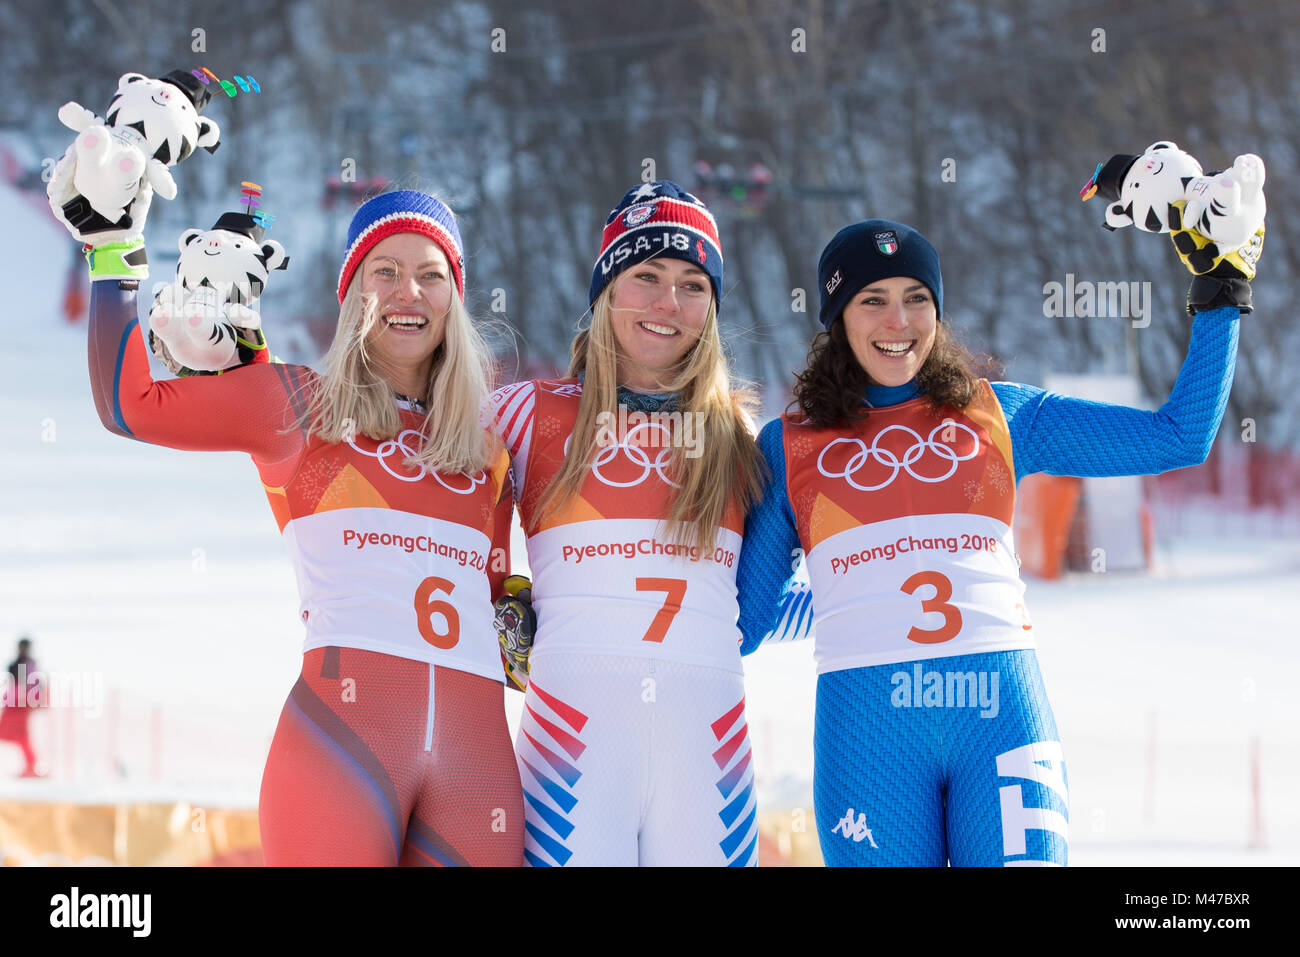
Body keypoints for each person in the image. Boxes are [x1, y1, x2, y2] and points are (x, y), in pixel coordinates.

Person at [736, 216, 1254, 866]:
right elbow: (744, 621)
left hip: (1001, 722)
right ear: (838, 315)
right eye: (873, 299)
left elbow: (1178, 436)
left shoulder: (1002, 415)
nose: (898, 320)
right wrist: (843, 605)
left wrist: (1222, 290)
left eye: (916, 298)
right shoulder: (790, 446)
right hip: (869, 739)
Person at [78, 188, 523, 866]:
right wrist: (113, 251)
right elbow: (128, 403)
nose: (410, 291)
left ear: (454, 300)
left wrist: (529, 622)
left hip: (477, 765)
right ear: (353, 294)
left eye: (432, 274)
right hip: (342, 750)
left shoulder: (484, 449)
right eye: (385, 271)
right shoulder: (295, 403)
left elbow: (497, 607)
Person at [490, 180, 769, 865]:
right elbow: (408, 478)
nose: (667, 303)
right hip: (571, 752)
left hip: (707, 756)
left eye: (692, 284)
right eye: (644, 275)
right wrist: (495, 604)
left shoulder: (738, 435)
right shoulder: (525, 415)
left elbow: (801, 592)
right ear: (606, 291)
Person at [0, 637, 44, 777]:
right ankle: (32, 765)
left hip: (21, 703)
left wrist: (34, 700)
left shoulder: (30, 664)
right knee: (15, 734)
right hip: (14, 702)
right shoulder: (17, 663)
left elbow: (35, 684)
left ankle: (32, 766)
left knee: (21, 735)